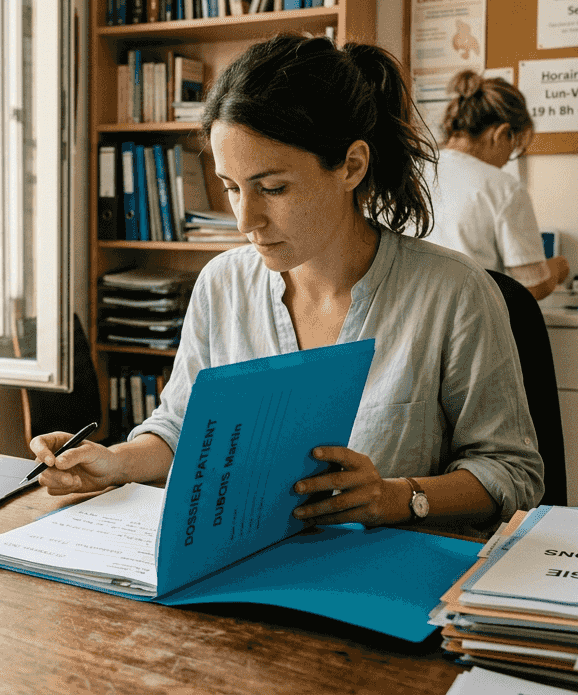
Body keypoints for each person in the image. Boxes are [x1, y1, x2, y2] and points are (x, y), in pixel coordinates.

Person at [29, 35, 543, 534]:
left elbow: (512, 473)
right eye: (232, 188)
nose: (246, 220)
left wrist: (396, 497)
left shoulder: (455, 294)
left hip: (389, 581)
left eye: (272, 188)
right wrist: (114, 462)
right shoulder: (221, 284)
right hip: (248, 570)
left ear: (351, 166)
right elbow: (181, 431)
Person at [424, 70, 570, 301]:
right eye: (513, 150)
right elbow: (530, 288)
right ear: (501, 134)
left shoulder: (412, 170)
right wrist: (558, 268)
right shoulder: (503, 187)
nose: (505, 161)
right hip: (469, 325)